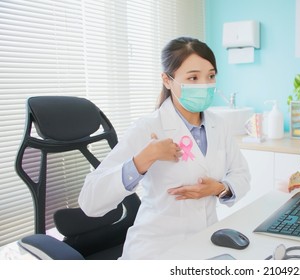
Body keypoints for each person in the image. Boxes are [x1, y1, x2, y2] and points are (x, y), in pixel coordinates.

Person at [78, 37, 251, 259]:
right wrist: (143, 160)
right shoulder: (148, 128)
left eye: (210, 76)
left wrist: (219, 188)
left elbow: (242, 175)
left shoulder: (219, 125)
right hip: (156, 251)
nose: (205, 85)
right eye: (193, 78)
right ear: (167, 80)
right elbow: (90, 201)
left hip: (205, 245)